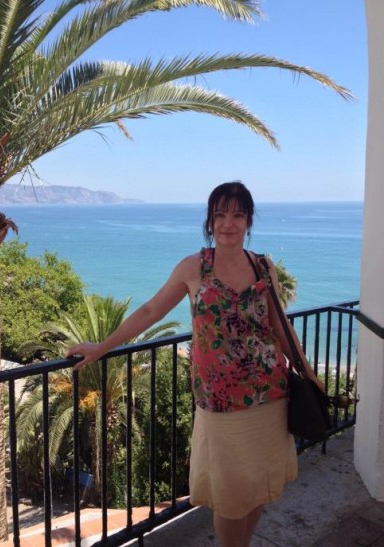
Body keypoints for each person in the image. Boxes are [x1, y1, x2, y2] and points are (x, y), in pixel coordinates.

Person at [67, 181, 324, 547]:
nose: (228, 223)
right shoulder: (193, 268)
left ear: (249, 220)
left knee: (258, 487)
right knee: (230, 494)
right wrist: (103, 347)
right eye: (220, 215)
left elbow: (280, 327)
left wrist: (309, 374)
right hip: (221, 403)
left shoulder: (263, 266)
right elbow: (150, 310)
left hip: (270, 394)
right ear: (210, 221)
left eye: (237, 214)